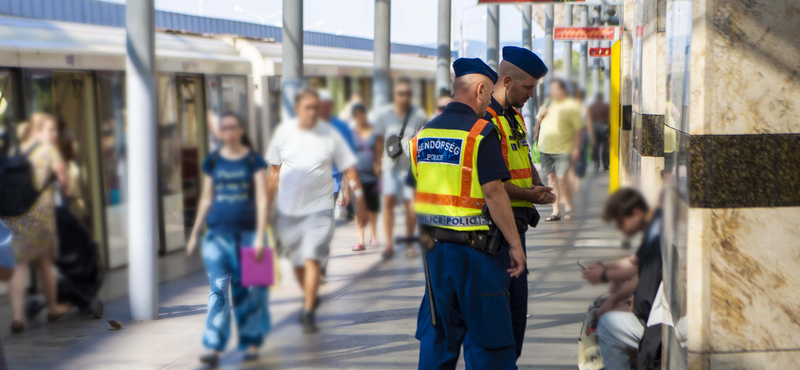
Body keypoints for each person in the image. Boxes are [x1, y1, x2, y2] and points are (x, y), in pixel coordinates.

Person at [409, 58, 527, 370]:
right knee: (490, 343)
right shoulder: (480, 132)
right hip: (477, 256)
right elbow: (494, 192)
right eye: (488, 95)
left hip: (436, 256)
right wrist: (515, 245)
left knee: (438, 338)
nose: (489, 102)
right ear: (479, 90)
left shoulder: (421, 136)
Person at [265, 88, 368, 334]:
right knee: (298, 262)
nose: (312, 112)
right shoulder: (283, 134)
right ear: (297, 109)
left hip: (320, 209)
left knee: (312, 259)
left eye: (315, 107)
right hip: (289, 210)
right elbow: (274, 173)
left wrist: (361, 202)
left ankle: (308, 309)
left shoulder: (330, 136)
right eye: (307, 107)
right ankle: (308, 292)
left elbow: (350, 171)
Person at [484, 46, 557, 360]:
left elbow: (524, 158)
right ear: (508, 81)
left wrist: (538, 184)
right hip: (496, 229)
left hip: (518, 225)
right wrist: (529, 194)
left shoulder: (514, 117)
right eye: (528, 88)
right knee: (502, 309)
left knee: (517, 308)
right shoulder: (486, 120)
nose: (531, 95)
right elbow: (493, 184)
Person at [186, 112, 271, 367]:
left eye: (232, 127)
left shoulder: (254, 160)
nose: (228, 132)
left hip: (250, 236)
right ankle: (213, 347)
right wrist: (194, 233)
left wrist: (259, 236)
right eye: (224, 128)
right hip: (217, 237)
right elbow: (206, 197)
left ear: (241, 130)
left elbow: (262, 198)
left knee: (252, 292)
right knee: (218, 291)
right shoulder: (213, 160)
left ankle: (252, 342)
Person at [1, 113, 71, 333]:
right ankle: (53, 307)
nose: (53, 134)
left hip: (13, 215)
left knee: (18, 263)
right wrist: (68, 191)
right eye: (49, 130)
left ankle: (17, 316)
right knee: (44, 262)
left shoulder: (17, 150)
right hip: (38, 215)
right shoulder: (49, 151)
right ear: (36, 131)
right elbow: (64, 179)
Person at [581, 188, 663, 370]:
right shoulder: (654, 226)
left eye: (620, 222)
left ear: (635, 213)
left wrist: (605, 278)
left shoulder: (657, 232)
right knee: (609, 300)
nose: (619, 228)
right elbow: (635, 262)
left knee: (607, 324)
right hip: (654, 304)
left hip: (657, 319)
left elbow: (637, 274)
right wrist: (605, 266)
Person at [373, 81, 428, 258]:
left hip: (409, 166)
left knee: (410, 205)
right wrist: (377, 162)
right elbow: (379, 140)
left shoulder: (418, 114)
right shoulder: (385, 114)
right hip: (389, 166)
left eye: (407, 93)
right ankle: (388, 245)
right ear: (394, 95)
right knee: (387, 203)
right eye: (400, 93)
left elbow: (425, 135)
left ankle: (410, 244)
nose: (404, 97)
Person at [534, 79, 584, 221]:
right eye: (552, 89)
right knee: (551, 179)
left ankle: (569, 207)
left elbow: (578, 129)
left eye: (556, 89)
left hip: (564, 148)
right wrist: (541, 115)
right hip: (545, 148)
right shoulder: (547, 103)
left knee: (562, 178)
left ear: (563, 91)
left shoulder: (571, 105)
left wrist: (576, 148)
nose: (553, 92)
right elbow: (538, 122)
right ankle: (555, 211)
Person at [349, 103, 380, 252]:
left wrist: (379, 163)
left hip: (372, 176)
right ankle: (361, 240)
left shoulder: (374, 131)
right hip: (357, 176)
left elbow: (380, 150)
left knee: (372, 207)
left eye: (362, 114)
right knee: (358, 206)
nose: (360, 117)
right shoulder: (352, 133)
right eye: (357, 115)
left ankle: (373, 234)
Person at [588, 93, 610, 171]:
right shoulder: (606, 106)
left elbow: (589, 119)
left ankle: (596, 164)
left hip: (594, 127)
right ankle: (605, 164)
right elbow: (609, 117)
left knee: (595, 146)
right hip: (603, 127)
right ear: (602, 98)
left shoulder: (591, 106)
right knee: (605, 147)